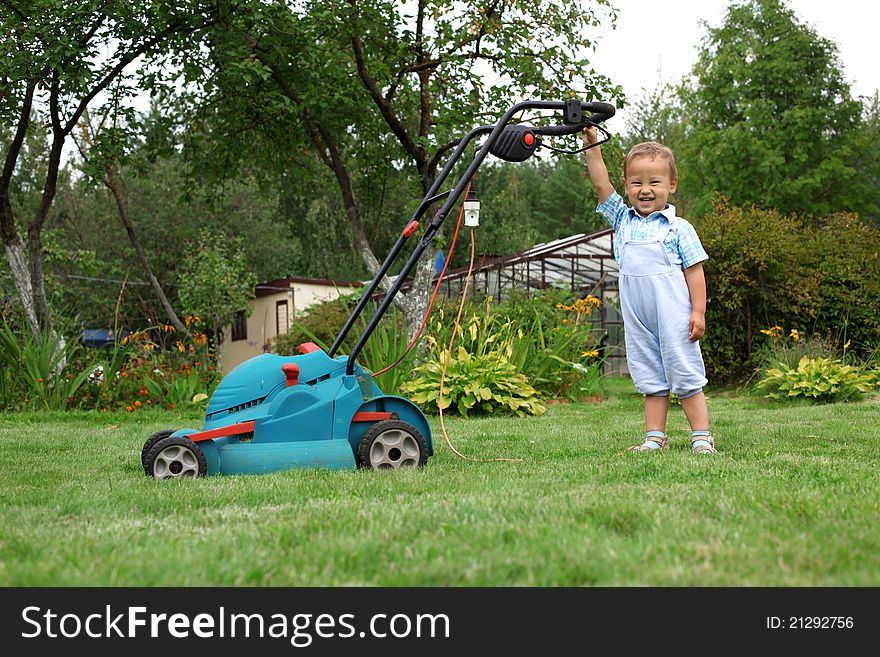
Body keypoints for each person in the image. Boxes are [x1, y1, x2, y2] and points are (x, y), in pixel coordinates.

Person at [582, 127, 716, 454]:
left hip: (673, 317)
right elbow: (601, 183)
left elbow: (695, 272)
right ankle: (655, 437)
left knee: (684, 374)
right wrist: (592, 147)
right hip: (639, 319)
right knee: (651, 379)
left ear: (671, 185)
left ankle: (701, 435)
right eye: (636, 182)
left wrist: (698, 311)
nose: (645, 189)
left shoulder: (678, 228)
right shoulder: (622, 220)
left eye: (654, 182)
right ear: (626, 185)